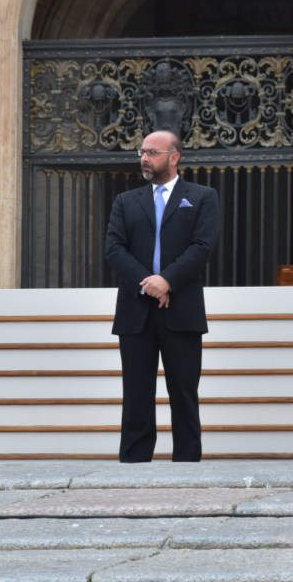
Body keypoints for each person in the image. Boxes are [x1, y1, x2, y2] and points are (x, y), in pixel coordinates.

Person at [105, 130, 220, 462]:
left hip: (182, 309)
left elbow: (203, 246)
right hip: (135, 309)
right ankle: (133, 467)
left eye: (152, 152)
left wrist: (168, 281)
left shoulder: (202, 196)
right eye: (141, 151)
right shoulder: (126, 201)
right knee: (136, 395)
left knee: (184, 394)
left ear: (174, 157)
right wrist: (149, 283)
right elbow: (114, 249)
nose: (144, 158)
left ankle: (186, 466)